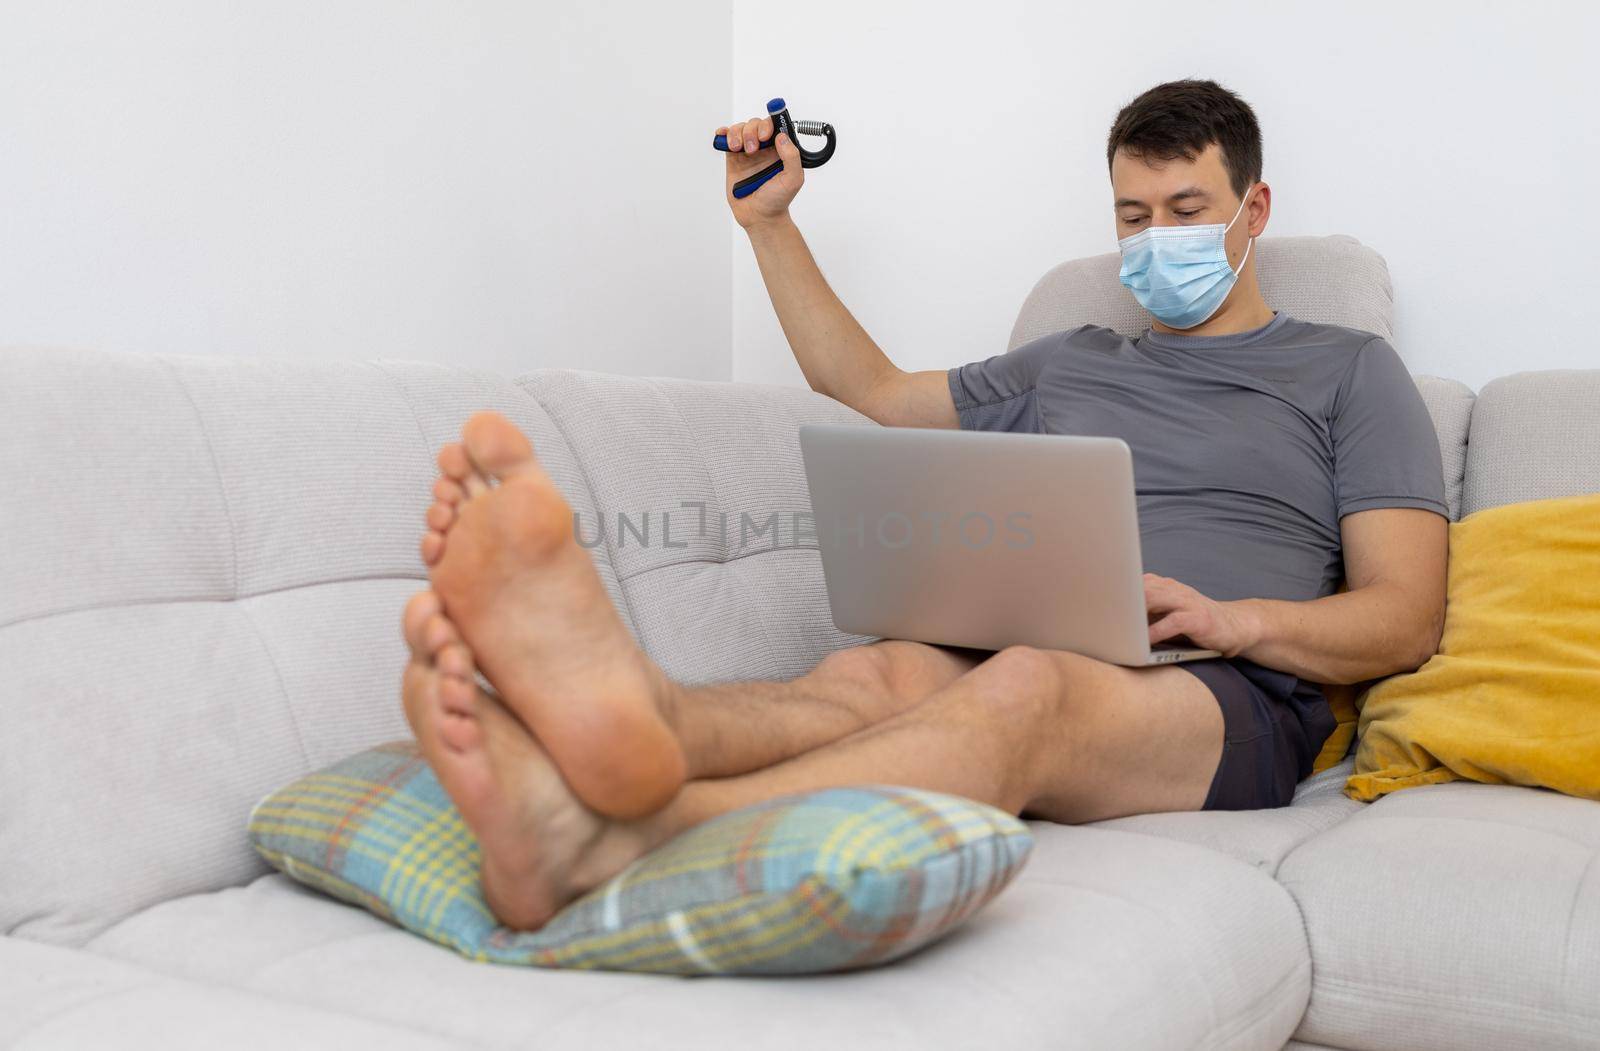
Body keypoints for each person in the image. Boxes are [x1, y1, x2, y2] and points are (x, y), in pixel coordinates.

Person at [398, 78, 1448, 930]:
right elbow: (872, 391)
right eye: (1133, 216)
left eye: (1186, 212)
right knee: (874, 669)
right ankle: (640, 718)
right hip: (1037, 636)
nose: (1155, 238)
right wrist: (769, 225)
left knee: (1030, 687)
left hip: (1226, 690)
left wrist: (1236, 619)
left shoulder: (1347, 370)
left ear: (1251, 212)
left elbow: (1405, 614)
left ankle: (615, 837)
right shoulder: (1070, 360)